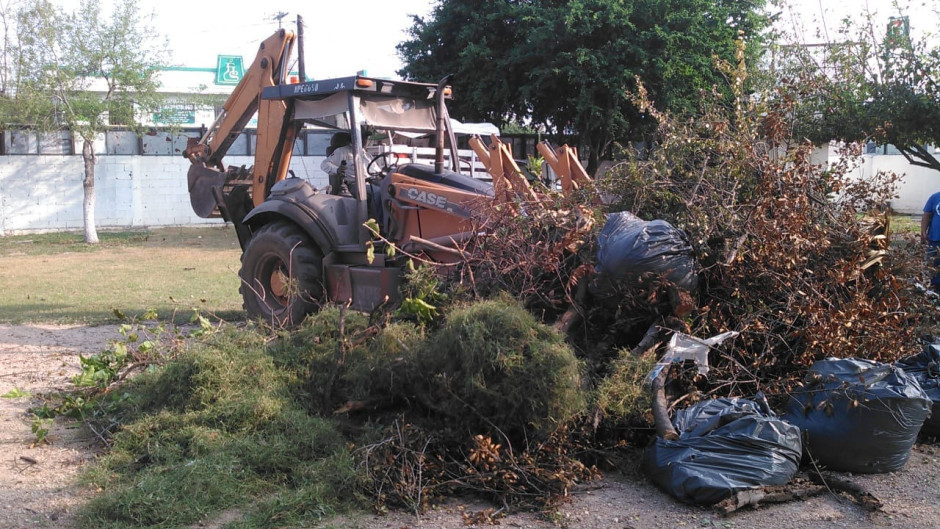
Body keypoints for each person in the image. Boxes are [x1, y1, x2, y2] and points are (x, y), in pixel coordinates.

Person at [321, 132, 368, 197]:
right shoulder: (342, 151)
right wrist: (337, 170)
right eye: (363, 137)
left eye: (366, 138)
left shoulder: (366, 154)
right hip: (355, 185)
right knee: (377, 192)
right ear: (355, 137)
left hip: (371, 182)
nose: (365, 140)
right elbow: (324, 164)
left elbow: (375, 170)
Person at [922, 190, 940, 290]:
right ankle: (935, 287)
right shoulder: (935, 197)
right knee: (934, 263)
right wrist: (923, 231)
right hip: (935, 237)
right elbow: (927, 215)